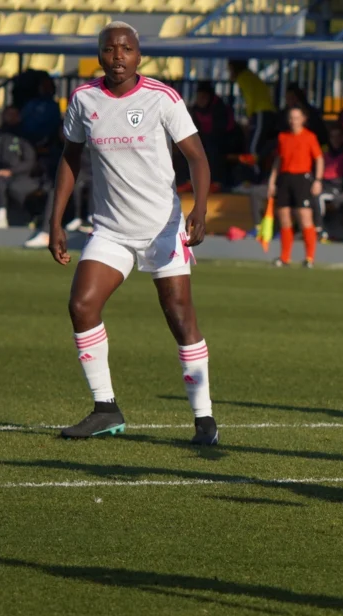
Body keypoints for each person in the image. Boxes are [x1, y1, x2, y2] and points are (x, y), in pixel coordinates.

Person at [46, 22, 217, 445]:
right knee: (82, 305)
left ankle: (205, 419)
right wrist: (55, 221)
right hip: (111, 230)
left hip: (162, 229)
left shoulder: (163, 98)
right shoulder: (84, 99)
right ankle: (105, 408)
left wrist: (199, 207)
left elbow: (196, 157)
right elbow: (69, 159)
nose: (118, 56)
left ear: (139, 55)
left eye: (126, 48)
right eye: (109, 49)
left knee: (180, 319)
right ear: (100, 55)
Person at [267, 106, 324, 268]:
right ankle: (285, 257)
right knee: (284, 216)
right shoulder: (283, 137)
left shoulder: (309, 137)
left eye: (297, 117)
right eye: (291, 117)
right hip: (285, 178)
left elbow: (319, 159)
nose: (293, 121)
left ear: (303, 119)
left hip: (302, 178)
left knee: (304, 215)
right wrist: (272, 181)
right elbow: (278, 161)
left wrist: (318, 180)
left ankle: (310, 257)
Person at [0, 107, 38, 229]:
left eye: (13, 114)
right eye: (8, 114)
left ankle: (26, 216)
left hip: (22, 175)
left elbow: (30, 161)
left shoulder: (24, 136)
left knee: (15, 188)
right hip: (0, 174)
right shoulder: (0, 134)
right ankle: (1, 214)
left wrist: (11, 171)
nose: (10, 117)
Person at [227, 60, 275, 160]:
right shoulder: (249, 75)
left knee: (253, 147)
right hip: (266, 110)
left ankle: (253, 170)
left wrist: (249, 116)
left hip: (261, 111)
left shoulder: (243, 78)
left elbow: (250, 97)